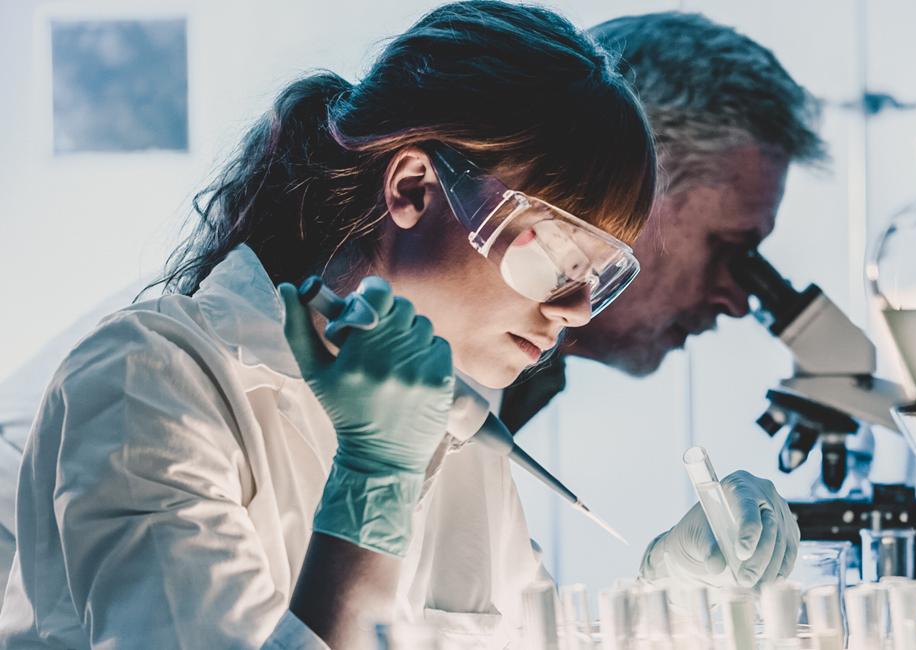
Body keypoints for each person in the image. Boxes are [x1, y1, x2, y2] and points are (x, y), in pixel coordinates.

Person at [0, 3, 661, 647]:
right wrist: (373, 486)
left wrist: (666, 604)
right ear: (412, 188)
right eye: (556, 253)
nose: (575, 310)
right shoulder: (149, 380)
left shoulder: (453, 429)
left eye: (600, 276)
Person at [499, 12, 826, 433]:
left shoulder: (528, 376)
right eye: (726, 249)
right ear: (625, 181)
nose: (737, 302)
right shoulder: (427, 358)